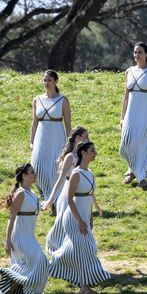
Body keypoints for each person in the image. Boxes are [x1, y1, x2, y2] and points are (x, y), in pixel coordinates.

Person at [49, 142, 111, 293]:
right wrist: (80, 220)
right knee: (84, 248)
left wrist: (92, 213)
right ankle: (54, 264)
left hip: (84, 216)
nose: (95, 153)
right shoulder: (76, 173)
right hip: (73, 218)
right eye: (92, 151)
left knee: (85, 249)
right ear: (83, 153)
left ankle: (83, 287)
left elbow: (89, 196)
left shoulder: (89, 172)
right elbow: (70, 199)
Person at [43, 126, 102, 256]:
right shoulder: (70, 157)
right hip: (68, 193)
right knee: (63, 224)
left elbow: (88, 185)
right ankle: (60, 249)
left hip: (81, 194)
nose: (88, 139)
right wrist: (50, 199)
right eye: (85, 136)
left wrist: (96, 205)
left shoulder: (84, 156)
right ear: (78, 138)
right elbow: (61, 179)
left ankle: (75, 252)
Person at [120, 42, 147, 188]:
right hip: (131, 112)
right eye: (135, 52)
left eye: (140, 52)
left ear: (146, 54)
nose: (137, 55)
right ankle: (132, 168)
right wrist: (122, 117)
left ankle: (142, 176)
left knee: (143, 143)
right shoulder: (129, 71)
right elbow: (125, 97)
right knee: (126, 143)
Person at [0, 164, 48, 294]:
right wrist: (8, 241)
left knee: (30, 266)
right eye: (32, 172)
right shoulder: (20, 193)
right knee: (39, 261)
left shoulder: (31, 192)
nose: (35, 174)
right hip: (19, 237)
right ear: (24, 176)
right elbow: (11, 218)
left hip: (29, 236)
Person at [30, 69, 71, 201]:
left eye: (49, 80)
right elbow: (34, 123)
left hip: (57, 137)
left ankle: (55, 199)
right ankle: (44, 194)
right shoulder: (37, 100)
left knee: (55, 167)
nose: (46, 83)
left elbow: (68, 124)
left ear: (55, 81)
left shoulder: (63, 100)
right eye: (44, 80)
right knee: (37, 165)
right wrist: (31, 141)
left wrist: (70, 143)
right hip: (40, 138)